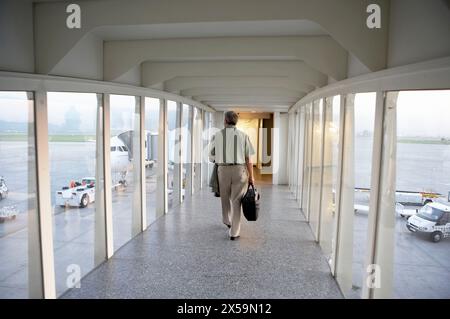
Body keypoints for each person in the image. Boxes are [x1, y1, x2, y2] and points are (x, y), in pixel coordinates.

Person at [209, 111, 255, 240]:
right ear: (236, 121)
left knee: (224, 197)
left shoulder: (217, 136)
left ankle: (226, 220)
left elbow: (210, 156)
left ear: (225, 120)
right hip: (239, 170)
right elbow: (249, 160)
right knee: (236, 200)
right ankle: (234, 232)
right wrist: (251, 177)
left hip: (222, 170)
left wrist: (219, 159)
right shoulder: (243, 136)